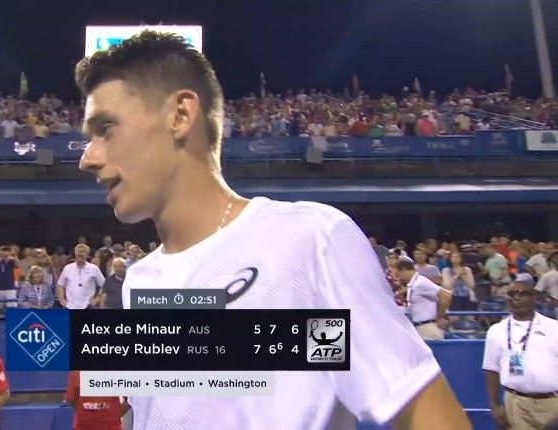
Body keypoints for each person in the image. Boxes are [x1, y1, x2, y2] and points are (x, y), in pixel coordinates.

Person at [75, 31, 470, 429]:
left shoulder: (310, 239)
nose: (87, 158)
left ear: (180, 115)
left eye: (105, 128)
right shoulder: (140, 280)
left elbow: (427, 417)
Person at [482, 280, 558, 429]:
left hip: (552, 402)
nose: (516, 298)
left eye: (523, 293)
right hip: (515, 402)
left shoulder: (554, 328)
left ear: (534, 297)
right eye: (511, 294)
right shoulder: (496, 330)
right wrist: (494, 406)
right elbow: (490, 369)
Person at [393, 259, 451, 340]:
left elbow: (445, 295)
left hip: (427, 328)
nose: (398, 278)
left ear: (404, 269)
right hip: (419, 328)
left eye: (398, 275)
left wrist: (440, 316)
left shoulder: (421, 282)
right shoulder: (413, 284)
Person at [65, 370, 129, 430]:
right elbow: (72, 399)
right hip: (83, 426)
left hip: (111, 426)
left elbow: (130, 400)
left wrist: (113, 416)